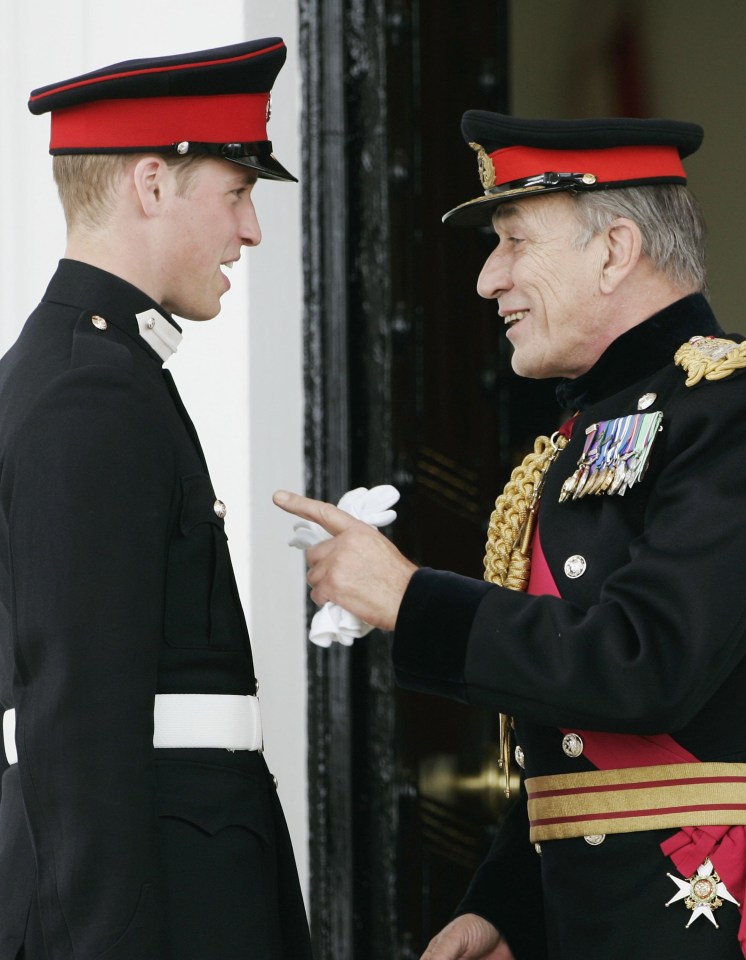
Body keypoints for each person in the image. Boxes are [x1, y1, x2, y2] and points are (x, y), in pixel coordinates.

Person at [274, 111, 746, 959]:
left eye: (515, 240)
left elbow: (648, 664)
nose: (489, 279)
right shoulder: (584, 431)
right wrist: (505, 908)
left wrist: (410, 600)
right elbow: (577, 746)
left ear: (615, 251)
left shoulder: (729, 408)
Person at [0, 39, 312, 960]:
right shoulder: (88, 392)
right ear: (151, 183)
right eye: (237, 191)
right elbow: (79, 722)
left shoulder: (99, 370)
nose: (250, 230)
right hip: (160, 913)